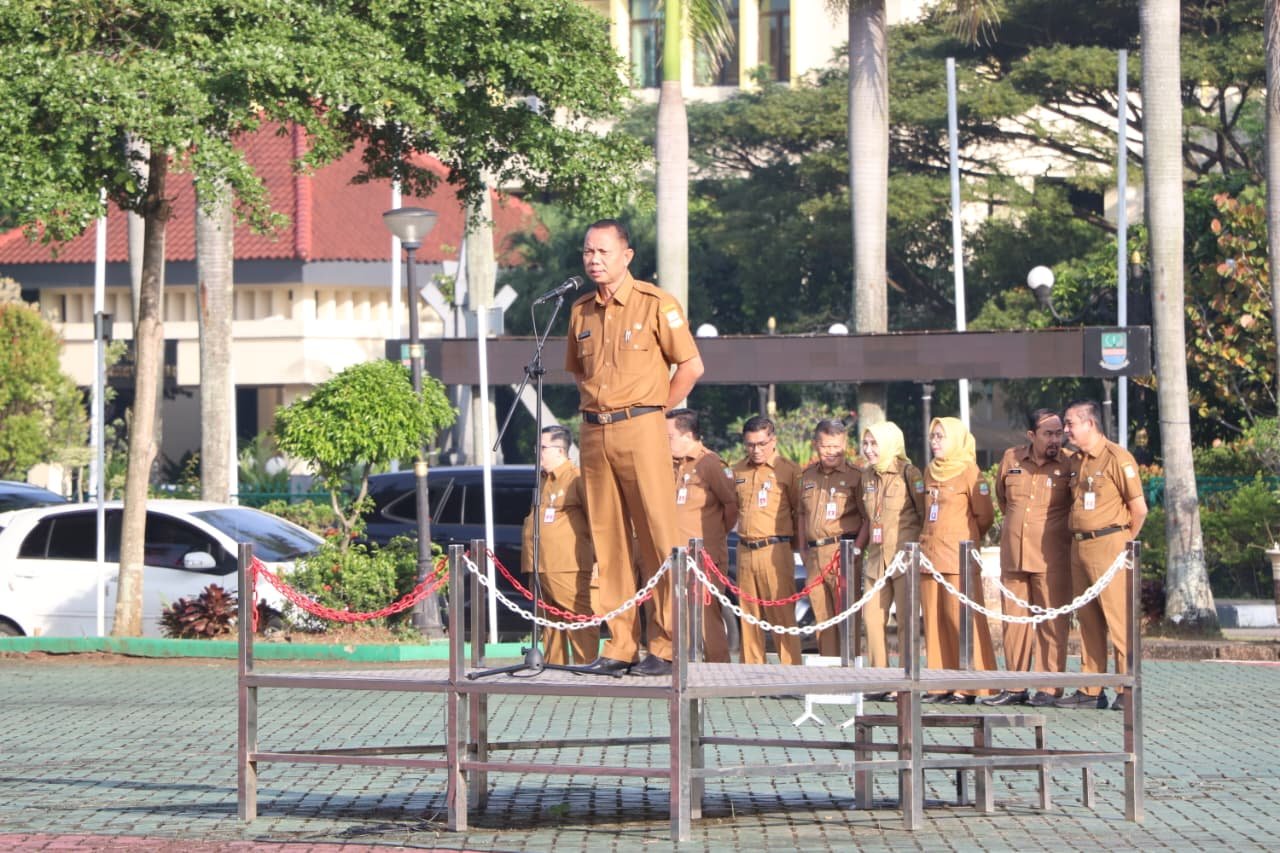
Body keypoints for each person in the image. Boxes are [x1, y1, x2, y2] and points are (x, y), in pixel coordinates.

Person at [565, 219, 704, 677]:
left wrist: (653, 411)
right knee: (609, 541)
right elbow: (578, 372)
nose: (593, 259)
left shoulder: (655, 303)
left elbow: (691, 365)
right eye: (588, 251)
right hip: (593, 431)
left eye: (603, 251)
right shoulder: (580, 309)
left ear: (627, 255)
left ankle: (665, 644)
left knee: (658, 536)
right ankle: (621, 644)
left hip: (642, 428)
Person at [1055, 399, 1148, 711]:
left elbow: (1139, 510)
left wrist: (1124, 545)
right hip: (1080, 546)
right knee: (1089, 621)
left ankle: (1127, 688)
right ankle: (1090, 689)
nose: (1065, 430)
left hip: (1110, 544)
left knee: (1118, 620)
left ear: (1089, 424)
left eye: (1070, 424)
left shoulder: (1116, 458)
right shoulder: (1077, 460)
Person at [982, 409, 1074, 708]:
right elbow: (1003, 498)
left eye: (1059, 433)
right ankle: (1015, 685)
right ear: (1031, 435)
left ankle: (1049, 687)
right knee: (1014, 623)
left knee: (1051, 622)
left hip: (1052, 558)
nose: (1055, 439)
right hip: (1014, 556)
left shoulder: (1069, 463)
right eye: (1048, 433)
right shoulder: (1011, 459)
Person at [919, 416, 998, 703]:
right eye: (933, 437)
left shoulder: (969, 471)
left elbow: (985, 516)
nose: (935, 442)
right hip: (928, 556)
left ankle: (974, 684)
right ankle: (940, 683)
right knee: (934, 621)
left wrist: (964, 540)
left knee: (961, 620)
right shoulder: (929, 471)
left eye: (941, 437)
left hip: (958, 557)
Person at [520, 426, 599, 665]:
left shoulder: (575, 478)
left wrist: (599, 560)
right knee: (548, 620)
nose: (538, 453)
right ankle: (555, 667)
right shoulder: (543, 480)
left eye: (542, 448)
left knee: (578, 617)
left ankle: (587, 665)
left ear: (560, 450)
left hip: (568, 564)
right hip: (540, 564)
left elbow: (596, 520)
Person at [858, 421, 926, 698]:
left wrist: (920, 552)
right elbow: (868, 516)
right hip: (876, 559)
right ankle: (880, 680)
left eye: (875, 444)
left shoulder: (909, 473)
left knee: (907, 622)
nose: (869, 450)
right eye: (866, 443)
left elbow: (923, 514)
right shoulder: (866, 476)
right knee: (872, 619)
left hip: (903, 560)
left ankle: (907, 681)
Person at [666, 408, 738, 663]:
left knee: (707, 617)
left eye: (670, 436)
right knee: (677, 617)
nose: (666, 442)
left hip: (704, 557)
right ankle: (683, 671)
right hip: (675, 556)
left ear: (688, 435)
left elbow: (731, 506)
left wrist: (716, 535)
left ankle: (718, 670)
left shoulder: (710, 463)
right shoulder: (671, 464)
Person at [732, 415, 803, 665]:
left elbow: (799, 511)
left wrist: (799, 549)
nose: (756, 450)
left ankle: (789, 673)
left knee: (781, 612)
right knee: (748, 614)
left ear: (773, 441)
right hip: (745, 549)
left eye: (761, 444)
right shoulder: (738, 469)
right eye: (750, 444)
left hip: (775, 548)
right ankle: (752, 671)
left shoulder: (788, 470)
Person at [798, 419, 866, 658]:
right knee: (822, 616)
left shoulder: (857, 476)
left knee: (846, 613)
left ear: (845, 444)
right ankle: (828, 670)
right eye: (826, 446)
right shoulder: (807, 476)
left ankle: (850, 671)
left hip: (843, 551)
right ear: (816, 444)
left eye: (836, 446)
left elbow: (867, 517)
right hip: (815, 555)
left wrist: (856, 550)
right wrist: (803, 550)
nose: (831, 452)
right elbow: (802, 515)